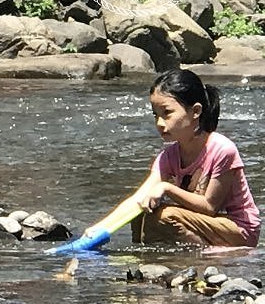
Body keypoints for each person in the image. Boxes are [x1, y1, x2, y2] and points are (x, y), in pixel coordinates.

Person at [96, 69, 260, 247]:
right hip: (204, 222)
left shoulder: (222, 149)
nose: (159, 123)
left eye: (167, 113)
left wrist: (167, 188)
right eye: (155, 115)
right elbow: (138, 198)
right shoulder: (168, 156)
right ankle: (154, 262)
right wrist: (100, 230)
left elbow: (210, 207)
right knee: (141, 213)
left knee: (165, 217)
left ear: (195, 111)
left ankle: (212, 256)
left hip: (238, 229)